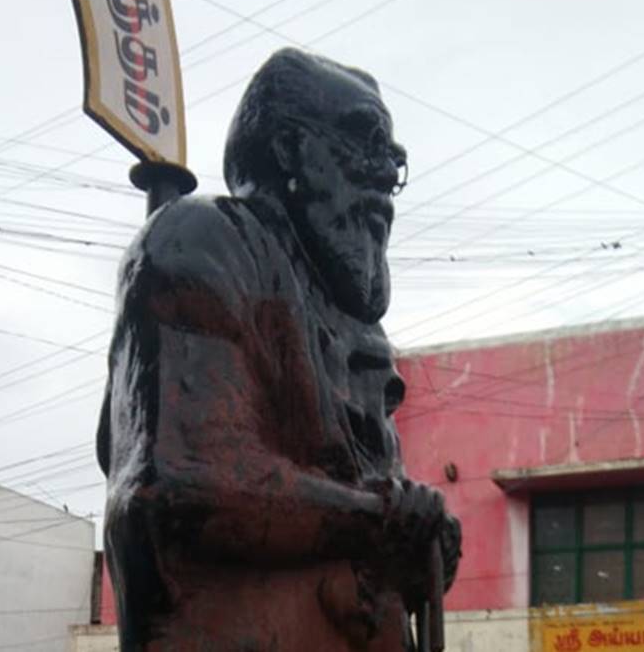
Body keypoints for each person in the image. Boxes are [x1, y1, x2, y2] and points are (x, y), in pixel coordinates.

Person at [97, 47, 461, 651]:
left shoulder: (353, 328)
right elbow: (182, 481)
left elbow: (377, 538)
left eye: (391, 160)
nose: (382, 178)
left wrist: (425, 540)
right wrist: (385, 518)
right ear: (292, 149)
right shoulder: (205, 241)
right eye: (362, 145)